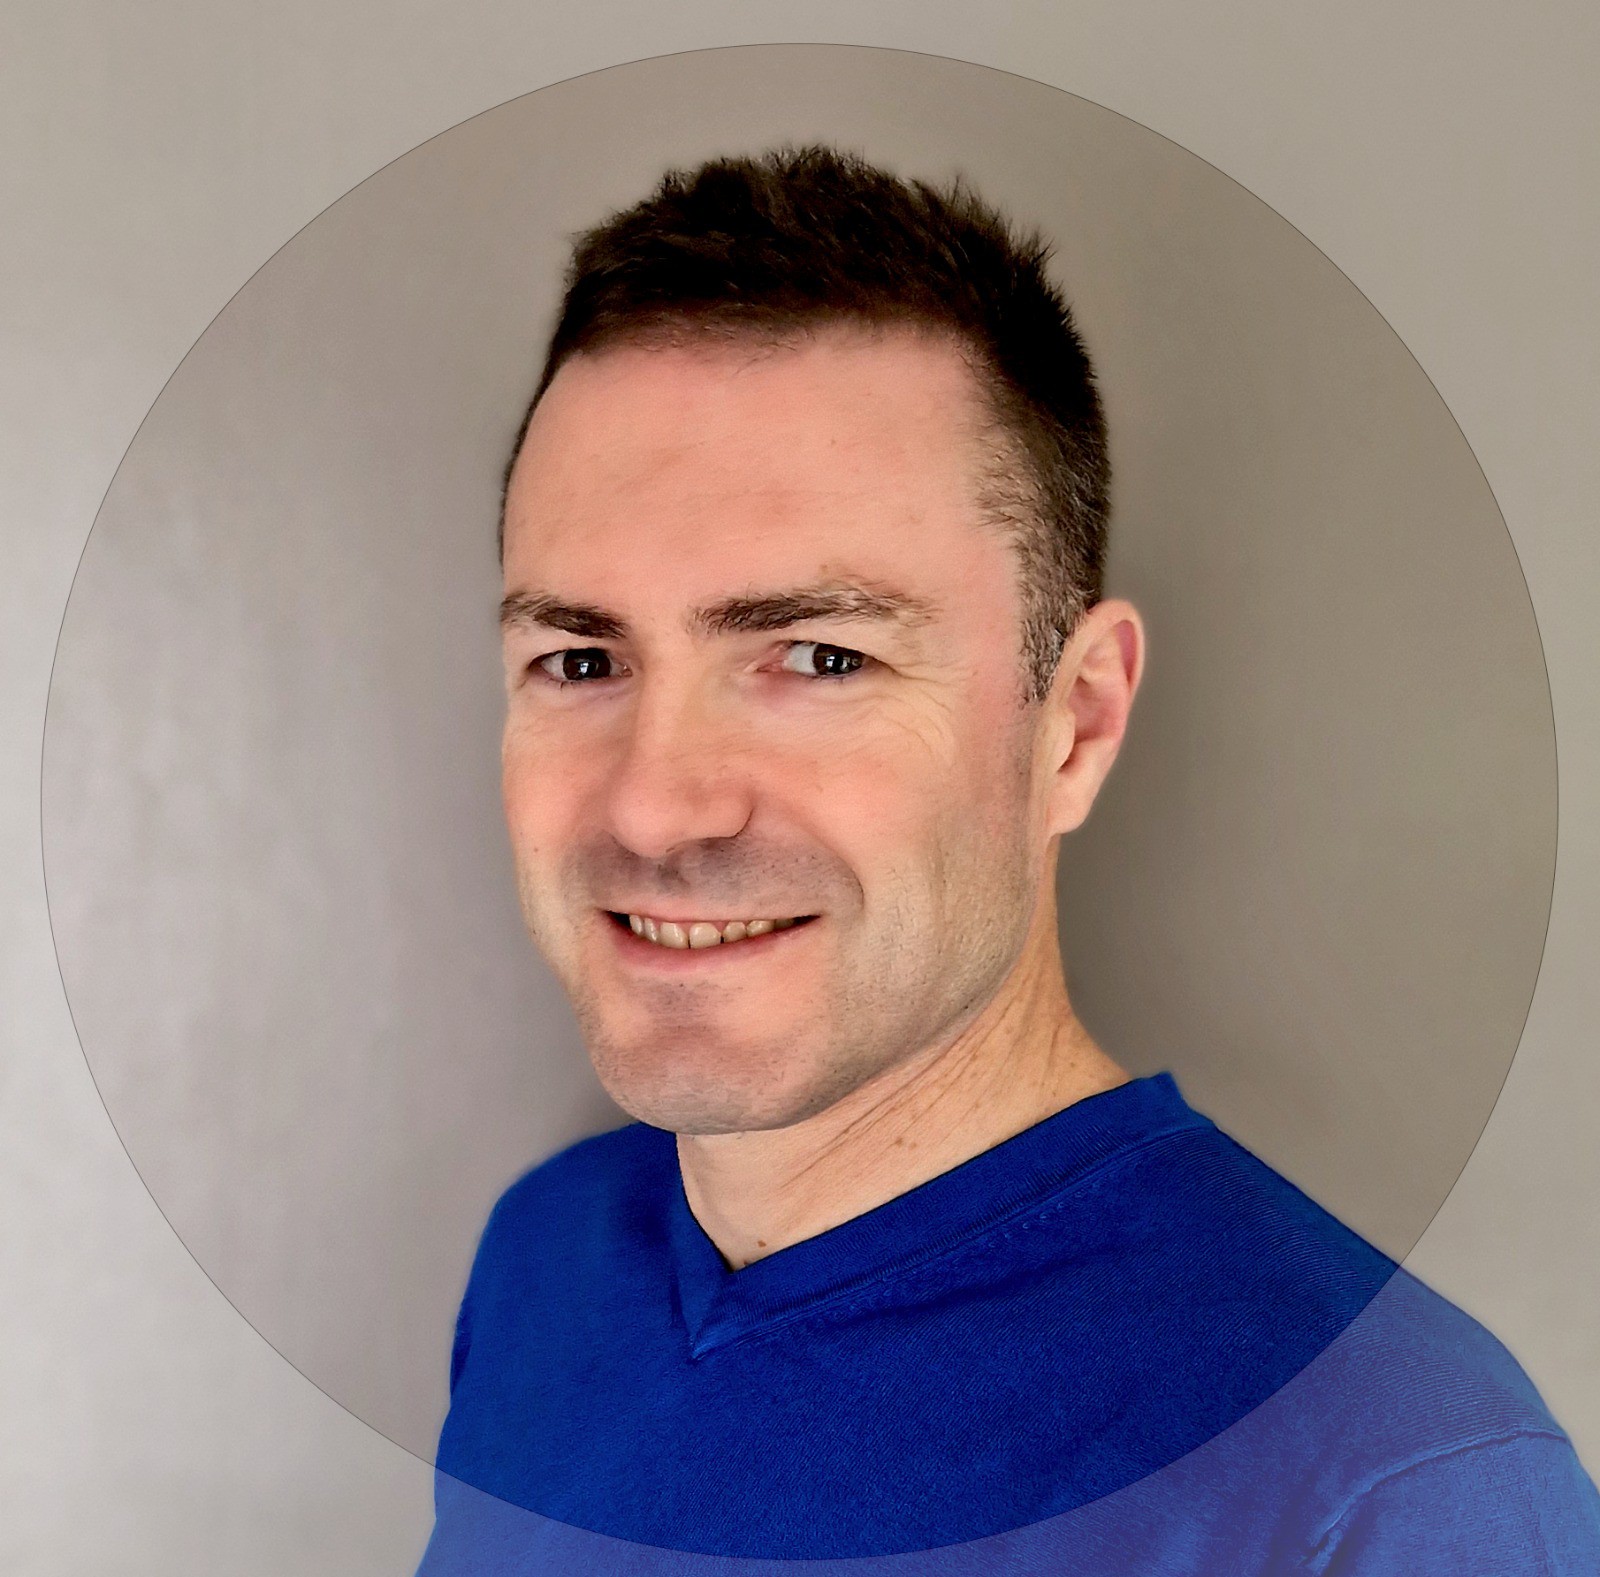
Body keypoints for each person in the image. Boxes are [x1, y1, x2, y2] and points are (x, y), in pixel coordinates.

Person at [418, 145, 1600, 1573]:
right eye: (580, 658)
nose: (658, 810)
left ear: (1075, 725)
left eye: (821, 656)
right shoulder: (546, 1262)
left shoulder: (1392, 1477)